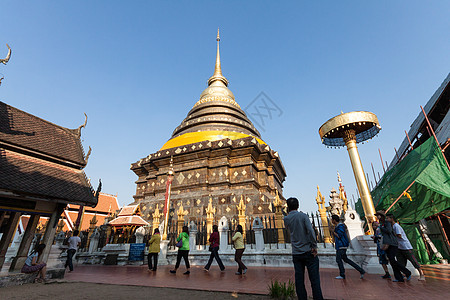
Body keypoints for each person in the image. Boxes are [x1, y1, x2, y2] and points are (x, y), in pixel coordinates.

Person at [284, 197, 323, 300]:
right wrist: (314, 246)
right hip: (308, 252)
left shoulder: (286, 219)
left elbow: (289, 230)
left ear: (287, 207)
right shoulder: (303, 216)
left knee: (299, 280)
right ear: (298, 205)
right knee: (314, 280)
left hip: (296, 253)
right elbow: (310, 231)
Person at [386, 213, 425, 281]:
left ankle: (421, 274)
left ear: (391, 219)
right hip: (399, 247)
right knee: (400, 262)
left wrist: (391, 236)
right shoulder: (392, 227)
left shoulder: (396, 226)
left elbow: (399, 235)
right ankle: (403, 275)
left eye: (387, 218)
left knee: (413, 261)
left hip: (405, 247)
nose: (387, 220)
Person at [375, 211, 411, 282]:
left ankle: (407, 272)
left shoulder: (386, 223)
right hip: (387, 243)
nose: (377, 217)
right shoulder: (382, 224)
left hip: (392, 243)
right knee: (392, 261)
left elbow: (389, 230)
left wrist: (380, 227)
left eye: (378, 215)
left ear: (381, 216)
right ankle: (399, 277)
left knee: (392, 260)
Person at [331, 215, 365, 279]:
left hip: (341, 246)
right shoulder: (338, 226)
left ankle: (342, 274)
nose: (331, 221)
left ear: (334, 220)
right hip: (341, 246)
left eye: (332, 219)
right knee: (346, 259)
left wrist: (333, 231)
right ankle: (361, 270)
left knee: (338, 260)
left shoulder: (340, 226)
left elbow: (339, 236)